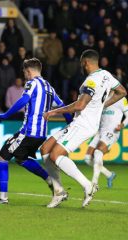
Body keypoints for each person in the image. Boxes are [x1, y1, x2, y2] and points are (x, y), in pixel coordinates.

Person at [42, 49, 127, 208]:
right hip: (84, 122)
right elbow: (122, 91)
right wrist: (103, 105)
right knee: (45, 149)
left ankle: (88, 186)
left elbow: (80, 105)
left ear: (85, 63)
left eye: (81, 63)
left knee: (56, 155)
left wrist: (54, 111)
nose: (81, 66)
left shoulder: (90, 81)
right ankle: (59, 191)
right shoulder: (107, 75)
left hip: (83, 123)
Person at [0, 58, 72, 204]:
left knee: (1, 158)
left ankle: (3, 198)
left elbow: (23, 100)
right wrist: (70, 123)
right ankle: (52, 183)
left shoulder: (32, 83)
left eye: (24, 72)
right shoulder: (49, 87)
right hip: (41, 134)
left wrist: (6, 115)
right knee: (21, 159)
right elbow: (62, 106)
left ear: (28, 71)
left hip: (28, 132)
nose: (24, 75)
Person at [84, 97, 128, 188]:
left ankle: (94, 182)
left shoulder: (121, 99)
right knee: (87, 158)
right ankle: (109, 175)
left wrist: (122, 125)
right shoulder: (102, 96)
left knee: (98, 152)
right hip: (100, 131)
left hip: (112, 131)